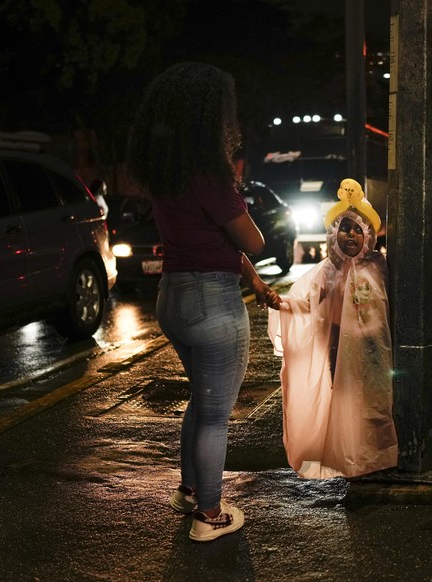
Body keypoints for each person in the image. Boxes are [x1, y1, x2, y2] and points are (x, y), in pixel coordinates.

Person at [126, 62, 279, 543]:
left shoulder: (164, 169)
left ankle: (189, 489)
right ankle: (209, 515)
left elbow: (212, 242)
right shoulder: (208, 174)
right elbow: (250, 240)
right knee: (216, 414)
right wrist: (242, 209)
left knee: (201, 399)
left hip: (173, 297)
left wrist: (251, 280)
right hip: (212, 302)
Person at [267, 178, 398, 479]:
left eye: (358, 229)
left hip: (374, 349)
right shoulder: (327, 272)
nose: (351, 235)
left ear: (369, 234)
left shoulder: (379, 265)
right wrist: (283, 303)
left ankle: (377, 457)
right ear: (332, 233)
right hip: (338, 351)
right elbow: (308, 302)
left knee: (376, 403)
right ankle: (351, 456)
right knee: (347, 406)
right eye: (344, 228)